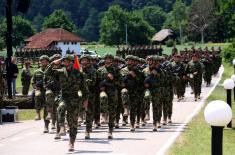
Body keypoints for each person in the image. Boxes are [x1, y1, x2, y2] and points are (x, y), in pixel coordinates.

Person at [46, 54, 89, 151]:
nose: (64, 63)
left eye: (66, 61)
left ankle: (71, 142)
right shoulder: (60, 72)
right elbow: (48, 73)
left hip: (74, 100)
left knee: (73, 123)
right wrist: (53, 63)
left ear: (71, 62)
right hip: (64, 97)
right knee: (60, 107)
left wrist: (85, 101)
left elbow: (85, 90)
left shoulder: (79, 74)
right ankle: (61, 126)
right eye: (63, 61)